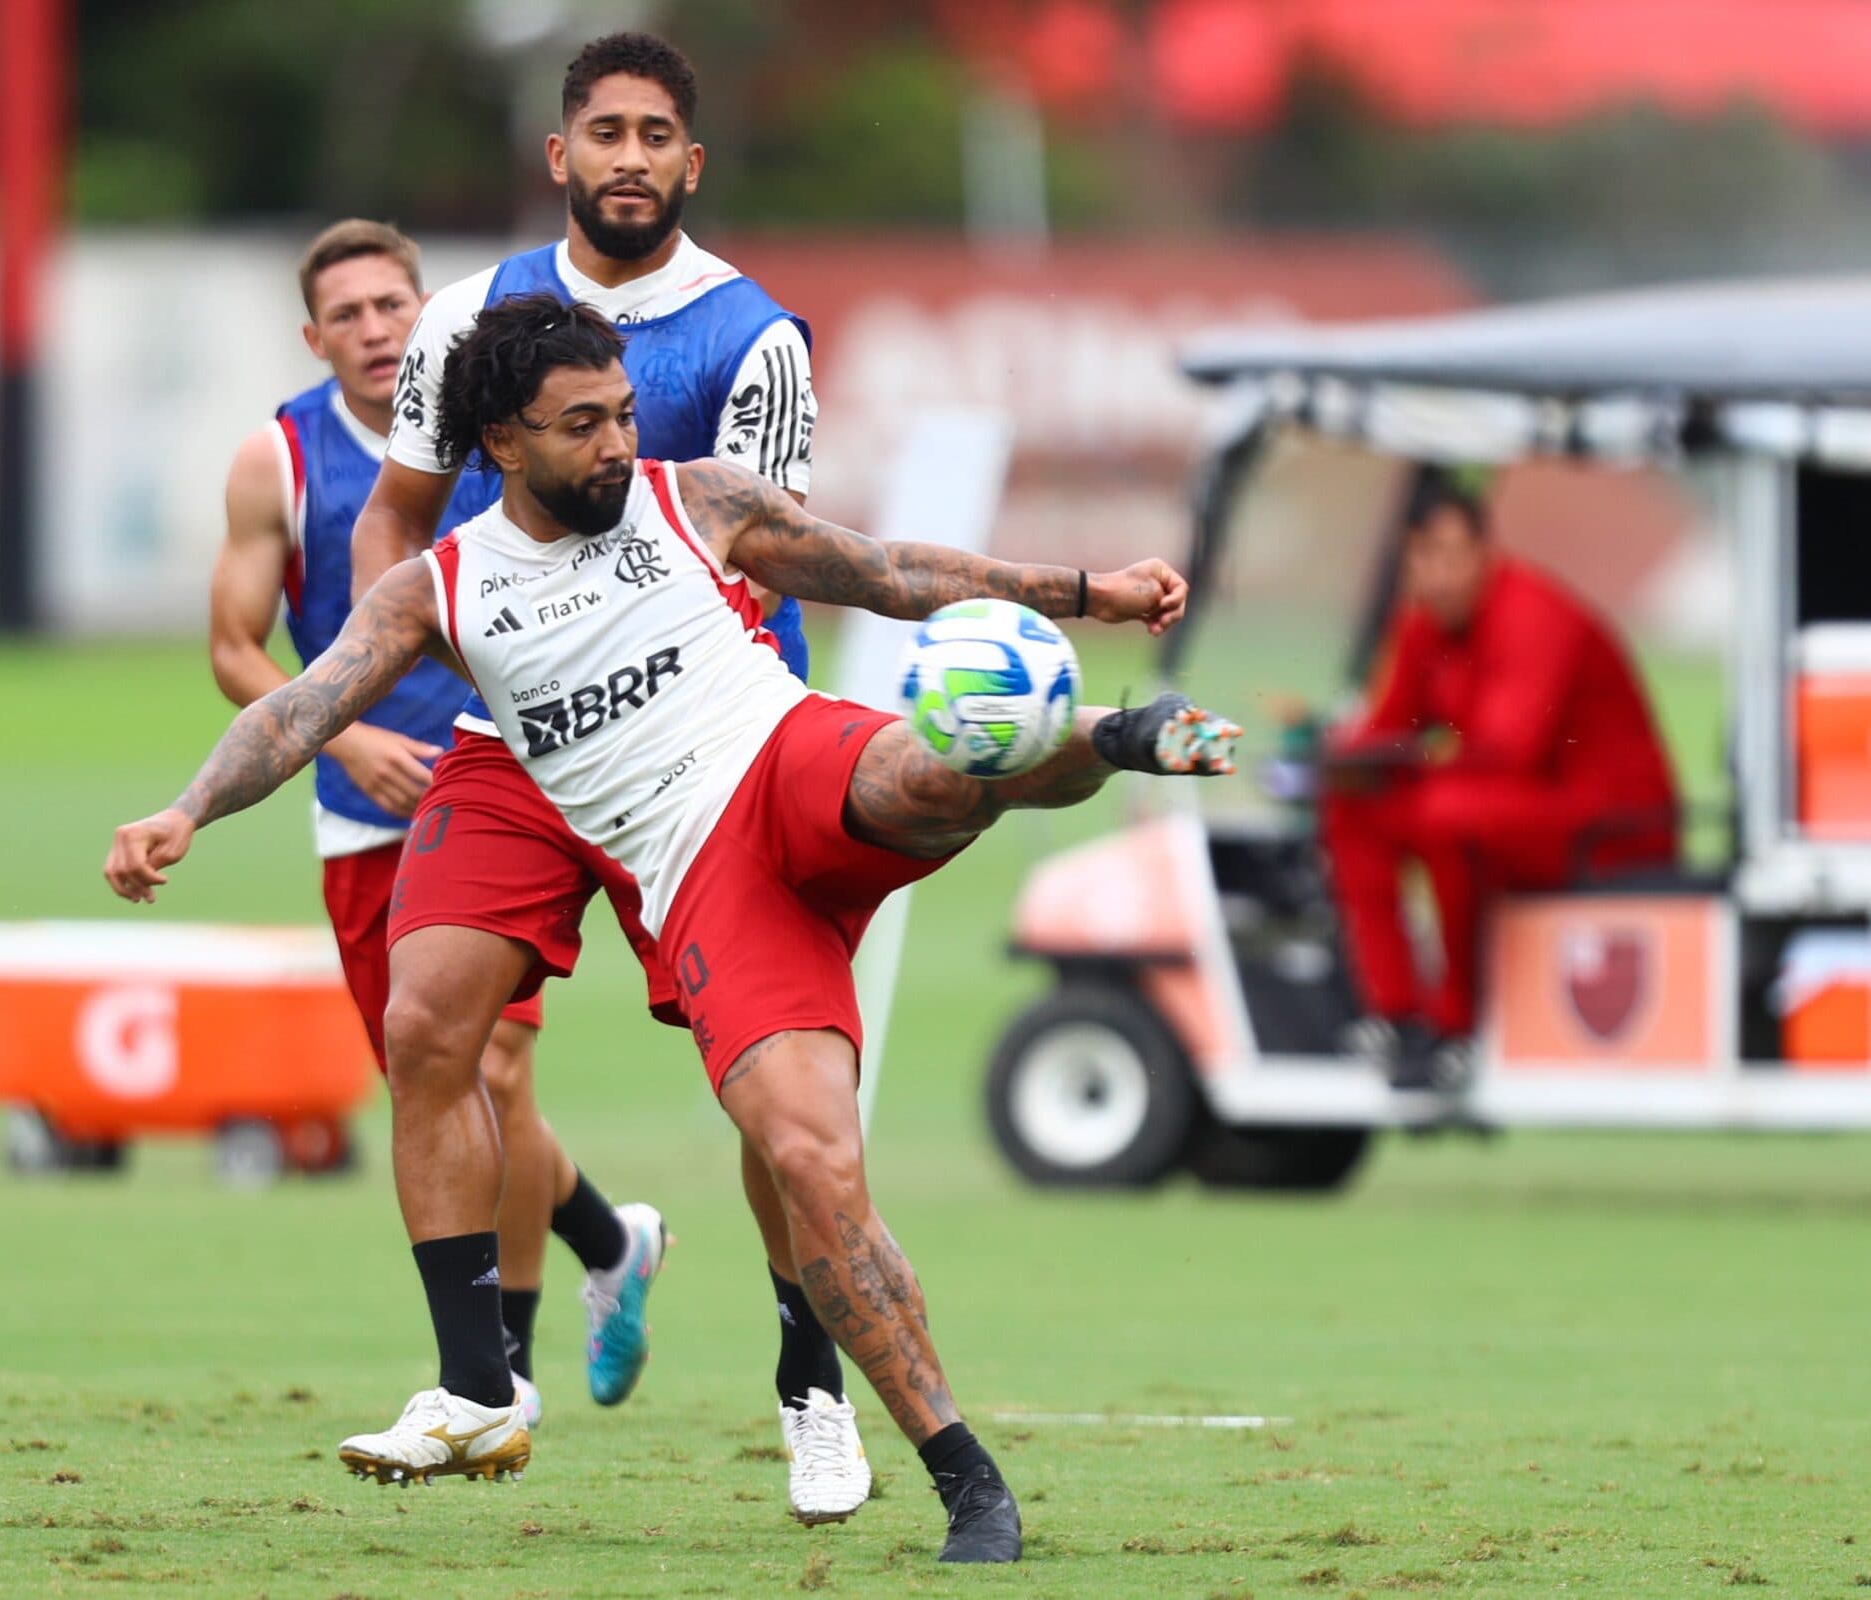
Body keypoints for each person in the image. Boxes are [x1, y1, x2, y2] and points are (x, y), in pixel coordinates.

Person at [102, 297, 1241, 1563]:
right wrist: (184, 810)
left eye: (623, 415)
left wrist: (1084, 591)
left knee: (927, 770)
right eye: (580, 425)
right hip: (699, 872)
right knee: (810, 1157)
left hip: (783, 752)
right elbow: (297, 711)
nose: (615, 444)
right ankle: (968, 1481)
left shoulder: (695, 498)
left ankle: (1120, 734)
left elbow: (891, 573)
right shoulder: (442, 589)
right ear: (502, 441)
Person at [348, 32, 871, 1521]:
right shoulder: (468, 319)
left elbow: (772, 558)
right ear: (558, 153)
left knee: (777, 1097)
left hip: (707, 751)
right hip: (520, 743)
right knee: (433, 1030)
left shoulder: (754, 337)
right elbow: (395, 522)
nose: (628, 157)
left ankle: (813, 1390)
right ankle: (477, 1386)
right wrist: (423, 681)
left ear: (690, 163)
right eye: (605, 131)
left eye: (654, 135)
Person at [209, 219, 663, 1420]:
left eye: (390, 305)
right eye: (345, 314)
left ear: (426, 312)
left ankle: (502, 1369)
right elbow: (234, 649)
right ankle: (609, 1240)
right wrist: (349, 739)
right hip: (362, 812)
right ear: (314, 337)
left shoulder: (504, 432)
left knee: (495, 1063)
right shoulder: (278, 460)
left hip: (507, 791)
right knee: (441, 1083)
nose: (374, 329)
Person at [1320, 472, 1678, 1088]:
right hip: (1516, 808)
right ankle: (1397, 1014)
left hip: (1613, 822)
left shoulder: (1533, 615)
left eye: (1451, 556)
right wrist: (1334, 760)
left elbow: (1508, 749)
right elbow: (1388, 730)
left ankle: (1457, 1023)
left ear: (1486, 551)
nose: (1438, 577)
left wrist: (1400, 757)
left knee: (1448, 814)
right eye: (1422, 559)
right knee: (1351, 806)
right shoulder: (1424, 624)